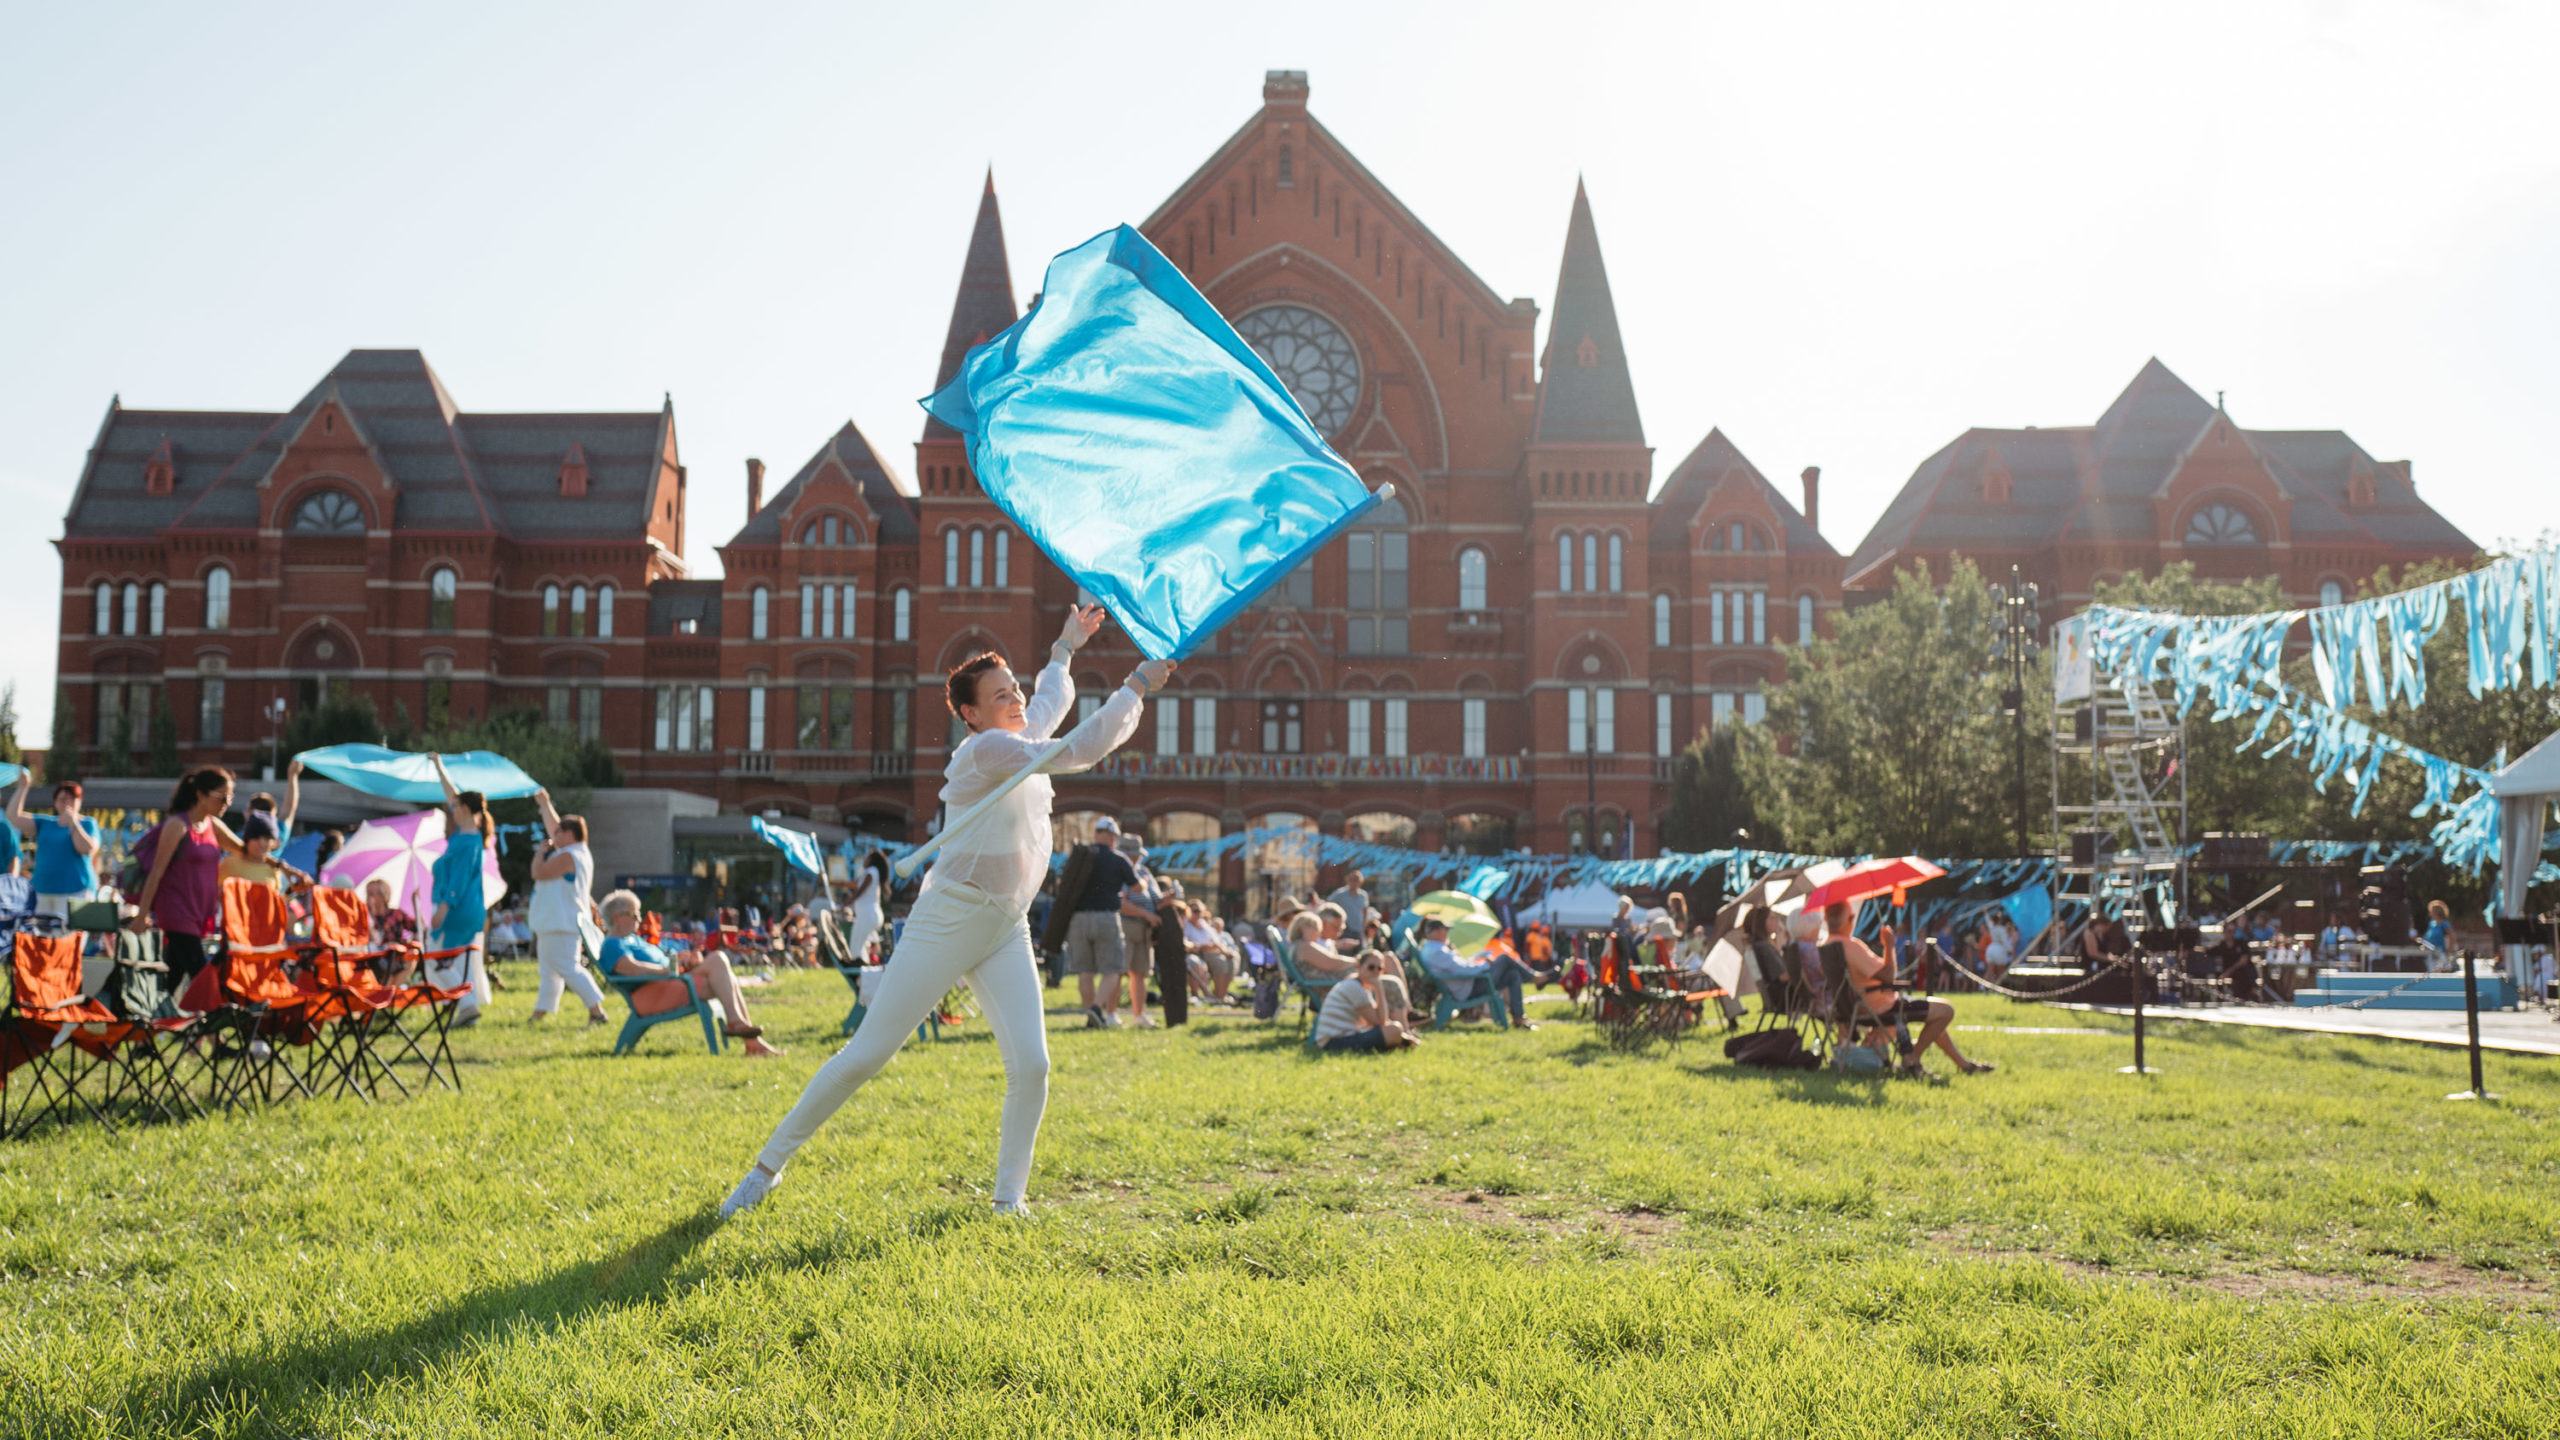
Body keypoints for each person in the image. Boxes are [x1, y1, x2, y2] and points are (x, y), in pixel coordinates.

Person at [721, 603, 1170, 1221]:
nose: (1015, 700)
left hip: (1005, 923)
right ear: (970, 715)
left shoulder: (1018, 734)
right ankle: (764, 1171)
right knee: (869, 1054)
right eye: (1000, 695)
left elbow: (1050, 703)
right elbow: (1076, 749)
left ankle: (1008, 1201)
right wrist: (1135, 688)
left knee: (1033, 1066)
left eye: (1014, 688)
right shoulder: (987, 753)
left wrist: (1066, 648)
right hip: (950, 917)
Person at [596, 890, 781, 1056]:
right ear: (616, 918)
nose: (639, 918)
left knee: (722, 970)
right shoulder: (613, 944)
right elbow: (633, 969)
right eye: (633, 914)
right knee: (718, 960)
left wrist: (683, 961)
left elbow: (657, 964)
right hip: (652, 993)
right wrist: (668, 970)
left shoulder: (632, 940)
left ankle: (750, 1039)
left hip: (669, 983)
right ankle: (743, 1031)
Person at [1824, 900, 1993, 1077]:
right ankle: (1912, 1058)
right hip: (1880, 1007)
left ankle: (1963, 1065)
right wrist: (1888, 946)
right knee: (1945, 1010)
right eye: (1852, 917)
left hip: (1857, 1007)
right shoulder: (1850, 946)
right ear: (1849, 920)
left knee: (1935, 1017)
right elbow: (1888, 976)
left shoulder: (1826, 945)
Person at [126, 767, 253, 991]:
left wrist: (285, 868)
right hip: (176, 912)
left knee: (170, 980)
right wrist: (142, 914)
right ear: (201, 795)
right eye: (222, 797)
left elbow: (246, 851)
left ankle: (150, 1021)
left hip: (198, 913)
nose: (227, 803)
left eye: (230, 797)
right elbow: (157, 871)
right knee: (202, 976)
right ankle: (217, 1017)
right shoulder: (177, 826)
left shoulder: (212, 825)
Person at [526, 789, 610, 1027]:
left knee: (567, 968)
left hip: (560, 922)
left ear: (570, 834)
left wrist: (541, 852)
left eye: (560, 831)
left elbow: (538, 873)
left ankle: (597, 1010)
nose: (554, 835)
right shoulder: (578, 853)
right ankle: (540, 1013)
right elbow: (555, 826)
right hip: (558, 921)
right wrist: (545, 805)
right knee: (549, 971)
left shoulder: (567, 857)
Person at [424, 755, 495, 1028]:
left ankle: (467, 1006)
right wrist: (439, 767)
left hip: (457, 909)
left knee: (436, 961)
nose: (451, 809)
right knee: (458, 963)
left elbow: (459, 881)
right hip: (467, 909)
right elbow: (452, 793)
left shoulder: (466, 842)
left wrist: (444, 907)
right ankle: (468, 1010)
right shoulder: (468, 834)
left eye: (456, 806)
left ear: (464, 809)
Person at [1061, 816, 1144, 1028]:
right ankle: (1097, 1008)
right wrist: (1141, 881)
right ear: (1110, 836)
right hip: (1106, 917)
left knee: (1085, 971)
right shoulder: (1118, 859)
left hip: (1078, 919)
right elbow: (1137, 888)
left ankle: (1091, 1017)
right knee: (1113, 970)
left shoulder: (1081, 856)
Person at [1416, 917, 1540, 1030]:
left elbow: (1460, 966)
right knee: (1504, 959)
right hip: (1468, 989)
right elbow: (1463, 970)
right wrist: (1486, 964)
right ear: (1437, 931)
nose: (1448, 933)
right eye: (1446, 929)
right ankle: (1534, 978)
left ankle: (1518, 1017)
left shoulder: (1433, 949)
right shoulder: (1438, 951)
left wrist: (1479, 960)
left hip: (1467, 984)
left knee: (1512, 975)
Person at [8, 776, 102, 920]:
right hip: (43, 891)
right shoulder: (45, 823)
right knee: (42, 938)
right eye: (62, 799)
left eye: (71, 799)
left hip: (75, 891)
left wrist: (73, 824)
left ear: (79, 802)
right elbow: (13, 817)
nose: (67, 803)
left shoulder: (88, 824)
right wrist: (23, 787)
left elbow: (86, 849)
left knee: (69, 938)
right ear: (55, 802)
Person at [1312, 950, 1417, 1052]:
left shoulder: (1357, 985)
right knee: (1394, 1029)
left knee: (1394, 1028)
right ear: (1359, 967)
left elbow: (1374, 1022)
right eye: (1371, 967)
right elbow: (1379, 1021)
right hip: (1333, 1042)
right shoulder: (1354, 987)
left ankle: (1400, 1041)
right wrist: (1379, 989)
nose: (1376, 972)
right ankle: (1400, 1042)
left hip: (1336, 1039)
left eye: (1380, 968)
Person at [1116, 833, 1164, 1028]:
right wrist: (1146, 915)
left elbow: (1156, 898)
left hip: (1144, 930)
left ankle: (1139, 1015)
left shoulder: (1144, 872)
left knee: (1141, 972)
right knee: (1118, 971)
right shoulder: (1118, 871)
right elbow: (1120, 903)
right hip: (1125, 926)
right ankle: (1111, 1013)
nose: (1136, 858)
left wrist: (1169, 899)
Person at [218, 812, 309, 892]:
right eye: (256, 837)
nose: (261, 843)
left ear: (274, 843)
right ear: (247, 839)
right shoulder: (229, 864)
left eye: (267, 839)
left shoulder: (275, 870)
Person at [1325, 869, 1372, 939]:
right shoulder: (1340, 893)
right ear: (1348, 881)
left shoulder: (1363, 895)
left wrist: (1364, 927)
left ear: (1360, 882)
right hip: (1345, 929)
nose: (1353, 883)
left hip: (1358, 929)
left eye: (1356, 880)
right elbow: (1328, 904)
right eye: (1351, 880)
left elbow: (1365, 911)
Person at [2422, 899, 2454, 971]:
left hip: (2440, 953)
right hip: (2431, 954)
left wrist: (2448, 951)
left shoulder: (2444, 924)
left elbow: (2452, 937)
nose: (2430, 914)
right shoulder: (2431, 924)